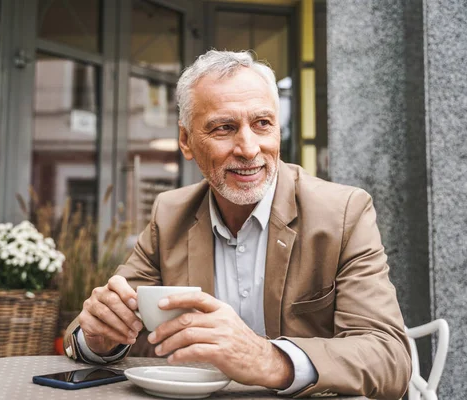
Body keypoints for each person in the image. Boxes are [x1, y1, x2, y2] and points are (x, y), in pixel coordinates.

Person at [63, 50, 411, 399]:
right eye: (224, 128)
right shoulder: (170, 214)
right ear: (186, 141)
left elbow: (389, 357)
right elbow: (99, 325)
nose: (248, 148)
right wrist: (98, 339)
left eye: (262, 123)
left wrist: (268, 359)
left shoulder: (343, 212)